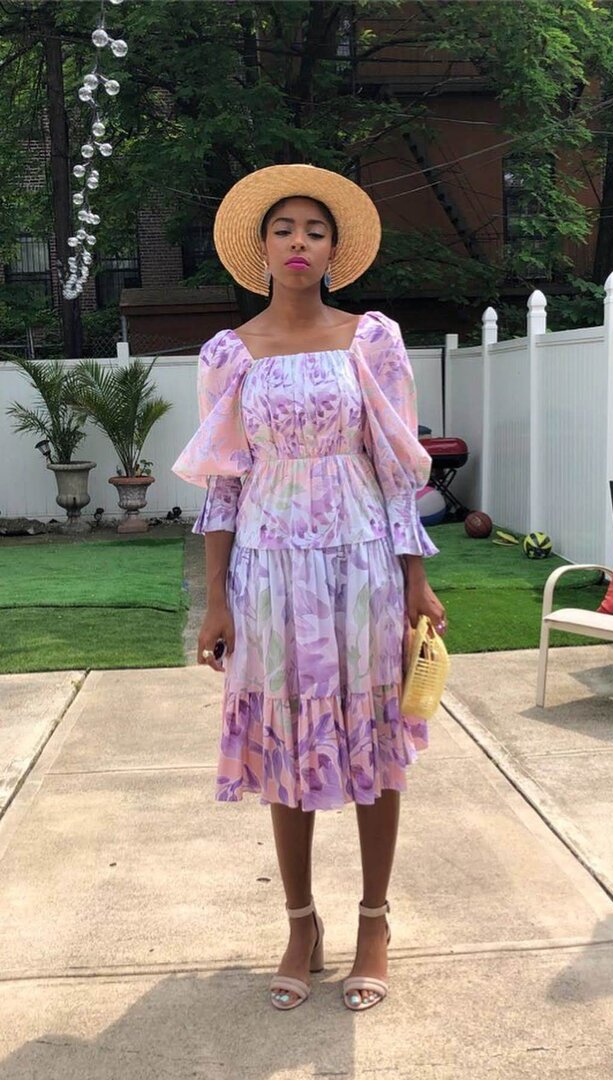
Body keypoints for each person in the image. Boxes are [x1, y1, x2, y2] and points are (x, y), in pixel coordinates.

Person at [172, 164, 446, 1014]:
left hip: (362, 562)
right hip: (266, 570)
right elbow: (222, 486)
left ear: (334, 251)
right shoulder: (228, 354)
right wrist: (216, 600)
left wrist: (416, 580)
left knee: (373, 737)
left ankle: (373, 923)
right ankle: (300, 925)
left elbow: (395, 470)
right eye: (284, 229)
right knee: (285, 742)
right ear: (260, 248)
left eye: (315, 231)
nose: (299, 242)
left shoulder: (371, 340)